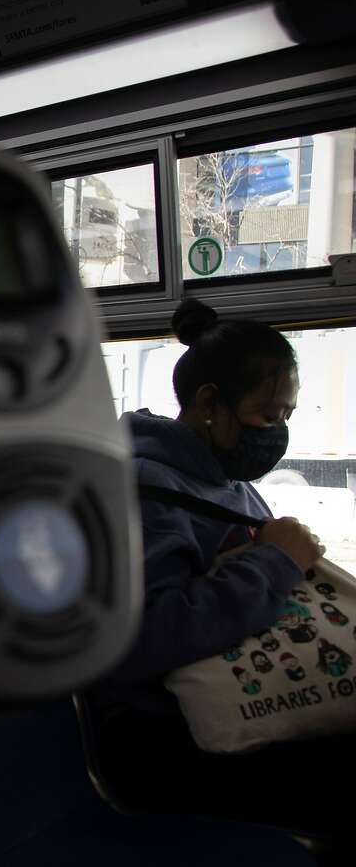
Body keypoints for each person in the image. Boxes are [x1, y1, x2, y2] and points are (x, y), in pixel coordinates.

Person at [92, 299, 350, 842]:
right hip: (157, 735)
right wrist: (277, 562)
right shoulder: (144, 491)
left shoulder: (228, 482)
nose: (277, 433)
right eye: (266, 415)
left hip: (251, 693)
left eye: (286, 416)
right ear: (211, 403)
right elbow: (143, 638)